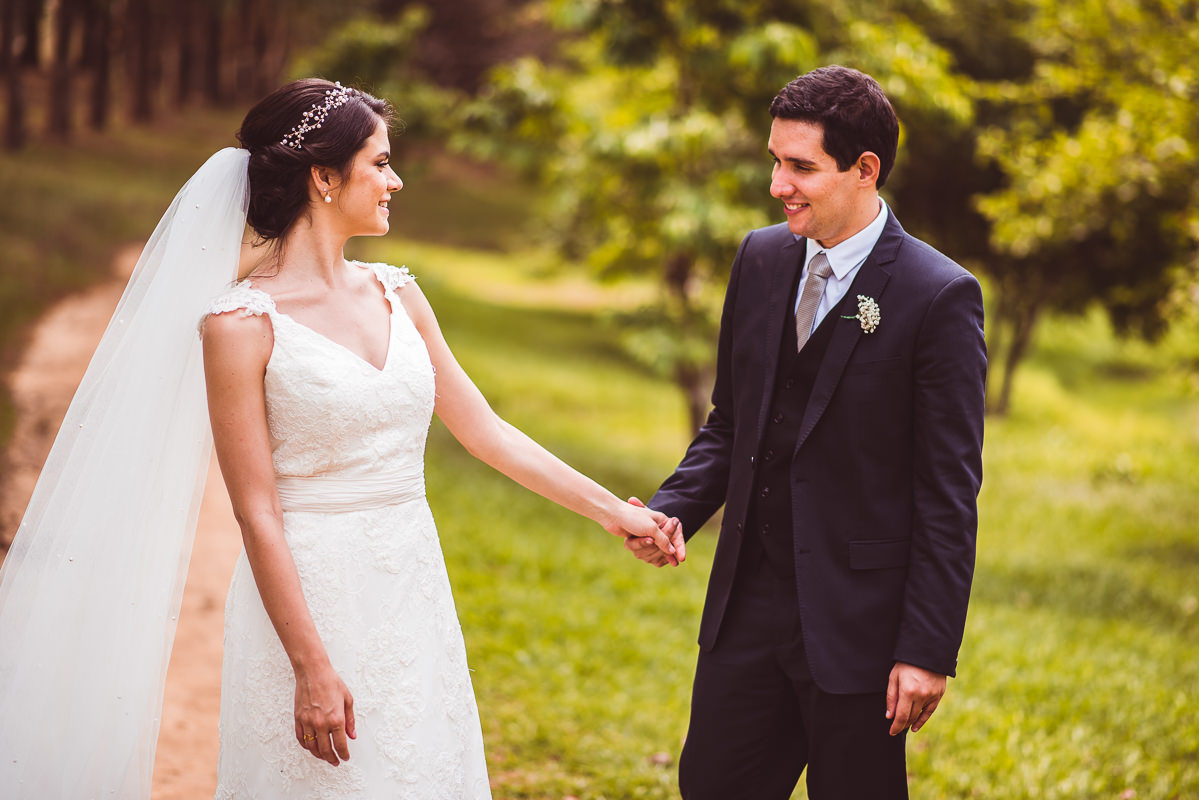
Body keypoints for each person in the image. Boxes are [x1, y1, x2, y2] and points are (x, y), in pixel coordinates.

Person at [0, 78, 680, 799]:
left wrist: (617, 513)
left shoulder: (398, 292)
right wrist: (308, 664)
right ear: (324, 177)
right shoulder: (238, 326)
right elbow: (256, 512)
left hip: (410, 582)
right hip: (310, 598)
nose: (396, 179)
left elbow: (485, 431)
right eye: (380, 163)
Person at [625, 65, 986, 798]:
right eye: (774, 160)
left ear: (864, 170)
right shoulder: (759, 258)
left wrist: (926, 649)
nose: (776, 184)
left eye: (799, 167)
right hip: (745, 612)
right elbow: (731, 422)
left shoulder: (937, 294)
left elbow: (947, 489)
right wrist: (673, 509)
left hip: (861, 629)